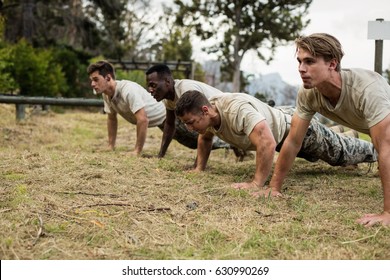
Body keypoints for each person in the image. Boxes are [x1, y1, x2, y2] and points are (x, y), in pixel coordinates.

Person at [264, 33, 390, 227]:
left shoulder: (367, 89)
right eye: (299, 61)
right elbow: (293, 141)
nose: (301, 69)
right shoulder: (308, 93)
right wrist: (274, 188)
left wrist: (388, 213)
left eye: (309, 62)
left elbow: (385, 148)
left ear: (332, 64)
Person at [175, 90, 377, 191]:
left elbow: (267, 143)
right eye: (186, 124)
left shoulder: (236, 110)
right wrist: (199, 168)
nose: (189, 128)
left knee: (341, 154)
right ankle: (341, 134)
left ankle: (379, 150)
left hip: (298, 130)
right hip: (279, 120)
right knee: (322, 154)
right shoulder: (210, 115)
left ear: (205, 110)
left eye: (191, 122)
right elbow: (205, 138)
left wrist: (256, 183)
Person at [87, 61, 227, 156]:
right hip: (164, 120)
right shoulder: (107, 95)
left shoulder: (128, 90)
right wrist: (110, 146)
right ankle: (230, 145)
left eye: (95, 79)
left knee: (198, 138)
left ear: (108, 77)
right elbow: (112, 119)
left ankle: (230, 145)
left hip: (219, 113)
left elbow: (143, 120)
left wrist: (137, 151)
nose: (92, 84)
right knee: (192, 142)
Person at [145, 64, 231, 158]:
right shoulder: (168, 99)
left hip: (227, 114)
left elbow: (204, 121)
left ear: (167, 81)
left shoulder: (187, 90)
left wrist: (197, 166)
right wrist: (160, 155)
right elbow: (169, 124)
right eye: (149, 86)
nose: (150, 90)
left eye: (153, 85)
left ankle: (230, 146)